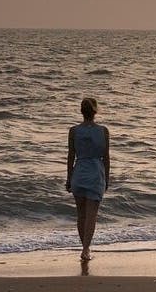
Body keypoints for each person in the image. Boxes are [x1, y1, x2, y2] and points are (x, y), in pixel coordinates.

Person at [66, 97, 110, 262]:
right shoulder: (103, 131)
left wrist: (69, 178)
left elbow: (71, 156)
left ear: (81, 111)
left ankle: (84, 248)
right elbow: (106, 157)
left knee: (81, 215)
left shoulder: (73, 131)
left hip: (79, 172)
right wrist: (107, 178)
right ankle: (86, 249)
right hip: (96, 173)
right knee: (91, 215)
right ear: (95, 112)